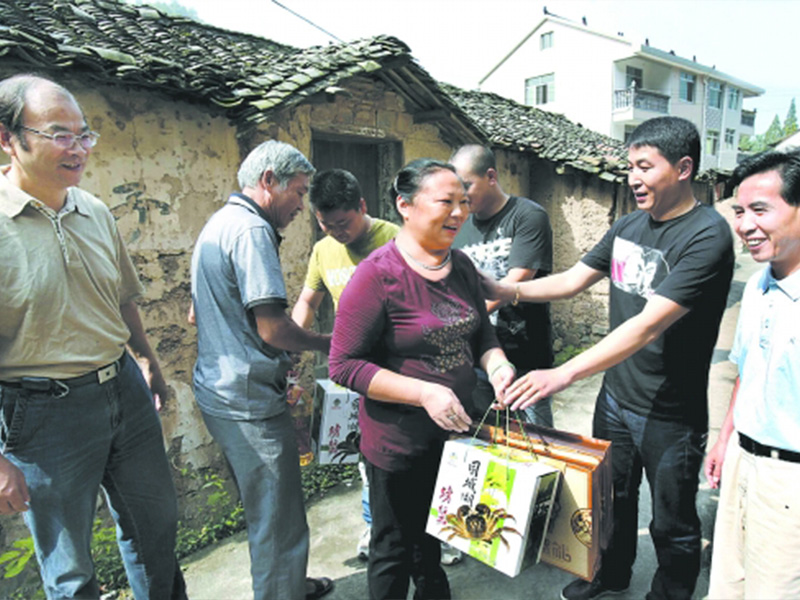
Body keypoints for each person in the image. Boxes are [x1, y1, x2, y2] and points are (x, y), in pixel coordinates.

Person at [491, 116, 734, 600]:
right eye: (630, 166)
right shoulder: (627, 226)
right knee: (611, 500)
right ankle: (611, 573)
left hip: (670, 411)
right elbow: (570, 280)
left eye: (645, 166)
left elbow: (647, 325)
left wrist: (564, 372)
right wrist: (502, 290)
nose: (633, 178)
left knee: (671, 521)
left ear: (684, 168)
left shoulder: (707, 236)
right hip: (616, 399)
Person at [0, 74, 186, 599]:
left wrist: (147, 361)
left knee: (156, 532)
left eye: (85, 135)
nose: (78, 149)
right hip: (42, 412)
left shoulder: (94, 211)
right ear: (7, 138)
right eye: (61, 134)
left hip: (123, 389)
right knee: (70, 568)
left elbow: (122, 300)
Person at [329, 158, 516, 600]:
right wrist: (424, 392)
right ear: (405, 206)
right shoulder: (376, 275)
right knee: (393, 549)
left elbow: (482, 334)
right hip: (397, 444)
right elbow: (344, 365)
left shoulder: (462, 266)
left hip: (453, 439)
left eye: (464, 203)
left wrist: (498, 366)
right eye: (445, 202)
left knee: (432, 542)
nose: (459, 213)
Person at [191, 140, 332, 600]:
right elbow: (273, 330)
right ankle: (281, 592)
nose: (301, 205)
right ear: (268, 182)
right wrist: (328, 343)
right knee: (278, 514)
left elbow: (198, 312)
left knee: (266, 507)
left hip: (219, 388)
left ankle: (287, 582)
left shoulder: (219, 222)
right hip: (246, 397)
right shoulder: (251, 231)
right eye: (298, 192)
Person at [704, 149, 800, 599]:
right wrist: (726, 438)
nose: (745, 225)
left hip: (790, 479)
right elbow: (746, 369)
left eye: (761, 210)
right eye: (740, 212)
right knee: (728, 584)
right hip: (745, 456)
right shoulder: (760, 283)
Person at [290, 168, 398, 561]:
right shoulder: (323, 250)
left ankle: (428, 539)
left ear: (363, 207)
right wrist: (293, 346)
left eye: (344, 223)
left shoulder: (395, 239)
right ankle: (375, 531)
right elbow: (307, 301)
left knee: (404, 462)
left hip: (399, 373)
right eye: (326, 223)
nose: (337, 231)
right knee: (366, 461)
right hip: (354, 375)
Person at [451, 144, 554, 426]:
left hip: (524, 356)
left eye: (467, 186)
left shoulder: (527, 216)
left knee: (537, 444)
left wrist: (462, 320)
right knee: (488, 441)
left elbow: (518, 278)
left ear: (492, 177)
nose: (462, 196)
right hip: (477, 356)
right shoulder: (459, 225)